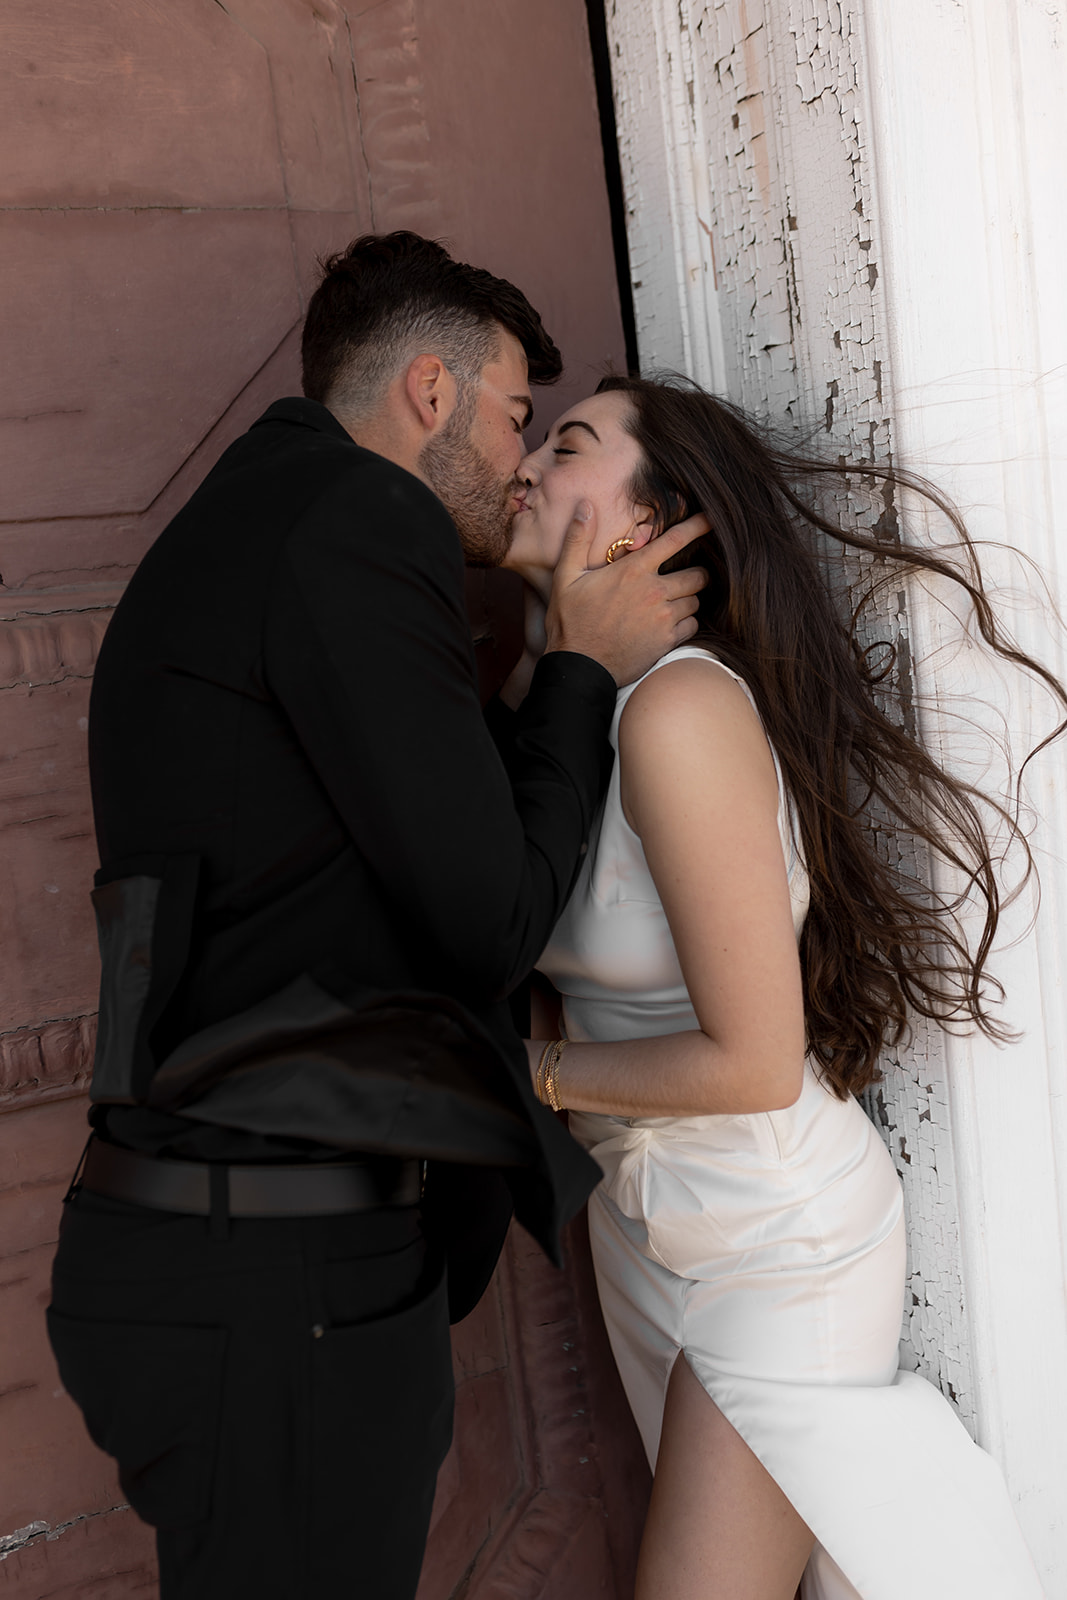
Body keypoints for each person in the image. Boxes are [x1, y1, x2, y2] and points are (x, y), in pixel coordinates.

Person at [45, 236, 708, 1600]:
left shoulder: (258, 527)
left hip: (220, 1265)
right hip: (271, 1286)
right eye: (515, 415)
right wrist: (581, 663)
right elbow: (489, 916)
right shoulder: (355, 523)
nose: (520, 461)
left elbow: (399, 843)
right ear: (426, 391)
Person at [499, 373, 1057, 1599]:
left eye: (568, 445)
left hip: (770, 1236)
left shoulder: (677, 711)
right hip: (645, 1222)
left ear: (649, 527)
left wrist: (520, 1078)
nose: (527, 461)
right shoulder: (552, 708)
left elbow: (752, 1058)